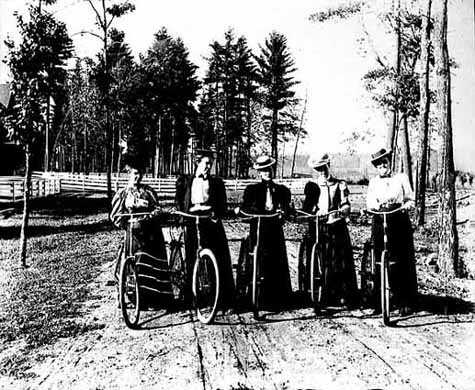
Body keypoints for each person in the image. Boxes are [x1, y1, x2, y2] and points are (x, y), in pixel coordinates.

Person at [175, 149, 235, 309]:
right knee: (191, 258)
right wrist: (181, 216)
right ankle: (192, 298)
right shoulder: (185, 181)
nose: (209, 167)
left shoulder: (217, 183)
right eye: (206, 163)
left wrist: (217, 213)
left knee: (217, 258)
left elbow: (222, 205)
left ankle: (221, 298)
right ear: (197, 162)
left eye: (211, 164)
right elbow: (180, 203)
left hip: (210, 222)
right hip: (192, 222)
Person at [110, 153, 171, 304]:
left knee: (151, 264)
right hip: (133, 235)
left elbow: (158, 209)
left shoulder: (148, 192)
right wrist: (128, 222)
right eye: (135, 174)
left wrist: (149, 218)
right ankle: (134, 297)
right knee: (130, 263)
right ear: (129, 174)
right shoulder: (123, 194)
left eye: (140, 174)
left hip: (150, 235)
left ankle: (153, 298)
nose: (138, 177)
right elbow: (115, 216)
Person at [366, 148, 418, 315]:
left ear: (390, 161)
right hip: (380, 219)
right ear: (376, 167)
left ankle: (405, 300)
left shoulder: (401, 178)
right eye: (379, 164)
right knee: (380, 257)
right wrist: (373, 208)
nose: (383, 165)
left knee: (402, 259)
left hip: (398, 218)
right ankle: (380, 300)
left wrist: (407, 205)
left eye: (385, 161)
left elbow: (410, 198)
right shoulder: (373, 182)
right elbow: (370, 201)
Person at [302, 153, 357, 306]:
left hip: (336, 224)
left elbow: (346, 204)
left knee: (339, 257)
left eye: (324, 168)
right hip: (319, 224)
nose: (322, 171)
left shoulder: (340, 184)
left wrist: (342, 211)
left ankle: (342, 292)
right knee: (320, 256)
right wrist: (315, 210)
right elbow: (307, 206)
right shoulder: (312, 186)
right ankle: (319, 292)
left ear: (329, 166)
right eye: (318, 169)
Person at [238, 155, 293, 308]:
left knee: (276, 260)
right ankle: (256, 296)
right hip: (258, 228)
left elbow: (287, 208)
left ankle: (277, 297)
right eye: (263, 170)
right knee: (257, 259)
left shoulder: (281, 190)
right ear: (259, 173)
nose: (266, 173)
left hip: (274, 228)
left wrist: (283, 212)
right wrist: (241, 211)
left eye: (268, 170)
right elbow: (246, 207)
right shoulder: (252, 190)